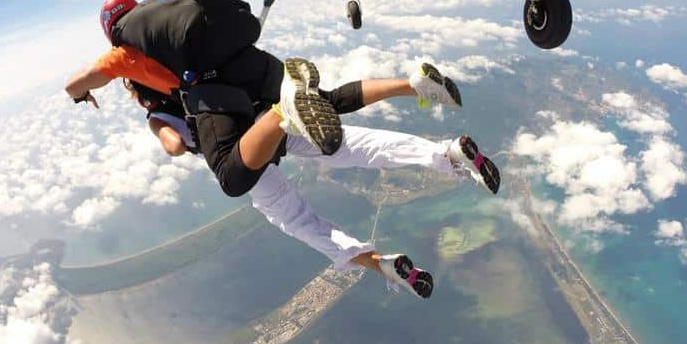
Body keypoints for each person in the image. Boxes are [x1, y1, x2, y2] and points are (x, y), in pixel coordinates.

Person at [65, 0, 480, 202]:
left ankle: (286, 112)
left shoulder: (124, 54)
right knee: (328, 100)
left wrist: (82, 95)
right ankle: (413, 84)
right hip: (252, 62)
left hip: (217, 91)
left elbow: (77, 81)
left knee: (232, 176)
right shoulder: (169, 17)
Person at [125, 62, 501, 299]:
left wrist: (165, 132)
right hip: (270, 120)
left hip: (246, 157)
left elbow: (174, 145)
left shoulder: (160, 111)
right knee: (358, 142)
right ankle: (443, 147)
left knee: (299, 221)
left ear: (139, 93)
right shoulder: (195, 75)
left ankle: (381, 265)